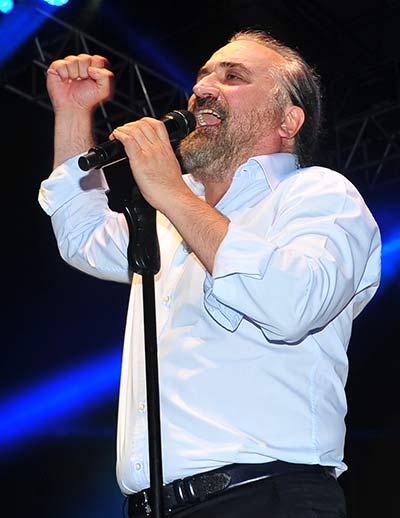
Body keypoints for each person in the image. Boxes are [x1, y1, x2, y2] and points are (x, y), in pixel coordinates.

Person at [38, 29, 381, 518]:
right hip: (155, 505)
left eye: (233, 76)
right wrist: (73, 113)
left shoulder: (318, 195)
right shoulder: (172, 216)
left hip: (265, 496)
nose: (201, 87)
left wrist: (170, 192)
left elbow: (293, 305)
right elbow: (83, 237)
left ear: (288, 120)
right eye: (202, 75)